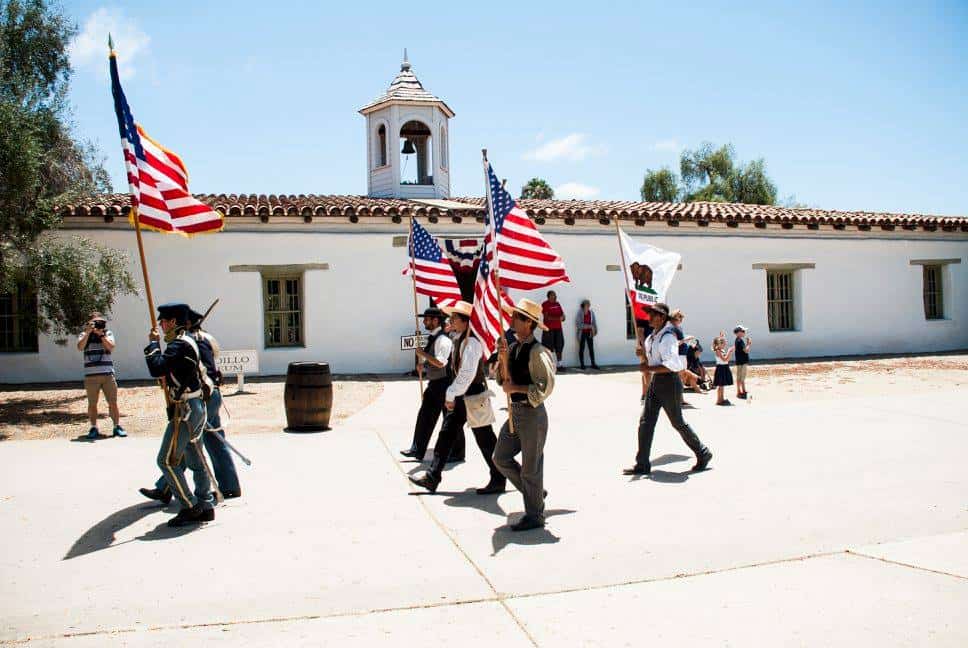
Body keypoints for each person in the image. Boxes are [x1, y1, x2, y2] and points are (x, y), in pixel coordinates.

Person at [140, 308, 242, 504]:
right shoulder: (200, 338)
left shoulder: (194, 341)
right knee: (195, 445)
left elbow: (204, 369)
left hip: (205, 396)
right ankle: (171, 488)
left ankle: (220, 489)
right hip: (206, 394)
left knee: (196, 444)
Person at [409, 302, 506, 495]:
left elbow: (466, 375)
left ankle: (511, 479)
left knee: (485, 439)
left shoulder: (472, 343)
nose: (450, 320)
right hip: (463, 396)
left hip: (472, 395)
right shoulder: (459, 338)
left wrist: (451, 393)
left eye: (454, 318)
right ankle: (433, 476)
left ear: (464, 321)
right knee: (446, 434)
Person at [142, 302, 216, 527]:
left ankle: (190, 505)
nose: (161, 325)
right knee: (195, 459)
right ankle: (205, 503)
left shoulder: (178, 345)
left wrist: (153, 345)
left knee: (166, 461)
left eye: (163, 321)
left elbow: (156, 367)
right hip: (194, 408)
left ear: (173, 322)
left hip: (186, 411)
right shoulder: (187, 342)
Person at [623, 303, 712, 476]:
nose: (649, 317)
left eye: (653, 315)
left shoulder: (668, 337)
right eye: (649, 314)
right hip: (657, 382)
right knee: (645, 422)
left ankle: (703, 452)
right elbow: (651, 361)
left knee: (677, 422)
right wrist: (642, 354)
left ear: (662, 318)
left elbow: (672, 365)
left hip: (670, 382)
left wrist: (648, 369)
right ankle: (642, 463)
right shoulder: (652, 338)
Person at [494, 298, 556, 531]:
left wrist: (517, 389)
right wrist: (502, 361)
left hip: (531, 414)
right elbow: (503, 379)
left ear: (528, 324)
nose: (511, 319)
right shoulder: (513, 348)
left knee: (531, 467)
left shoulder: (538, 351)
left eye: (517, 317)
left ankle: (535, 515)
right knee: (500, 457)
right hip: (515, 413)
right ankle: (535, 493)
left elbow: (545, 386)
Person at [401, 307, 465, 462]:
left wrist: (422, 355)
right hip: (434, 384)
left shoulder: (443, 340)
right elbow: (433, 362)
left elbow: (441, 362)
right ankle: (417, 449)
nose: (424, 321)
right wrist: (424, 367)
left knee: (450, 419)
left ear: (435, 320)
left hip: (445, 384)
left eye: (427, 319)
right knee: (425, 416)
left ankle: (457, 453)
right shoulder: (433, 337)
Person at [76, 312, 125, 439]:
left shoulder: (107, 333)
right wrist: (88, 333)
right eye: (95, 322)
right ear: (89, 323)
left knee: (113, 402)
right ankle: (93, 427)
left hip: (107, 374)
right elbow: (80, 347)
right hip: (91, 375)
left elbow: (111, 346)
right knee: (92, 404)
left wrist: (101, 335)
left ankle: (116, 426)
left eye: (100, 322)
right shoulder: (84, 334)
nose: (98, 324)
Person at [540, 290, 566, 371]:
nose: (555, 297)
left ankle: (559, 365)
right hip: (548, 330)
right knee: (548, 348)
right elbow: (547, 318)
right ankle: (549, 365)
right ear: (549, 296)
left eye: (555, 295)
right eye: (553, 295)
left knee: (559, 346)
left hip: (558, 329)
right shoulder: (545, 304)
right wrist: (558, 318)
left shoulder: (557, 304)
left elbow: (562, 315)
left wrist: (563, 317)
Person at [575, 299, 599, 370]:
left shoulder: (591, 312)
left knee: (591, 348)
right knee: (581, 349)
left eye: (589, 304)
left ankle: (593, 363)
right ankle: (582, 364)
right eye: (586, 304)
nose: (588, 306)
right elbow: (578, 325)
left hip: (589, 333)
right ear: (583, 305)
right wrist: (589, 326)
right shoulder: (580, 313)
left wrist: (595, 330)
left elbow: (594, 322)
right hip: (582, 333)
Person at [712, 332, 735, 406]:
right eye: (723, 343)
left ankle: (721, 398)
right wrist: (729, 352)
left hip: (724, 367)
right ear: (719, 344)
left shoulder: (721, 350)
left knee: (722, 385)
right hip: (720, 368)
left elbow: (726, 360)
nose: (725, 344)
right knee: (720, 385)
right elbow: (725, 359)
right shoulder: (718, 351)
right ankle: (719, 400)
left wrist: (721, 336)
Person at [734, 325, 752, 399]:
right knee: (741, 377)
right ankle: (739, 392)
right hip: (742, 361)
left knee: (741, 377)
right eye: (743, 331)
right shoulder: (739, 340)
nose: (744, 333)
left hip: (740, 361)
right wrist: (749, 344)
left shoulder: (738, 340)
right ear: (738, 332)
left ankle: (742, 390)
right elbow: (746, 350)